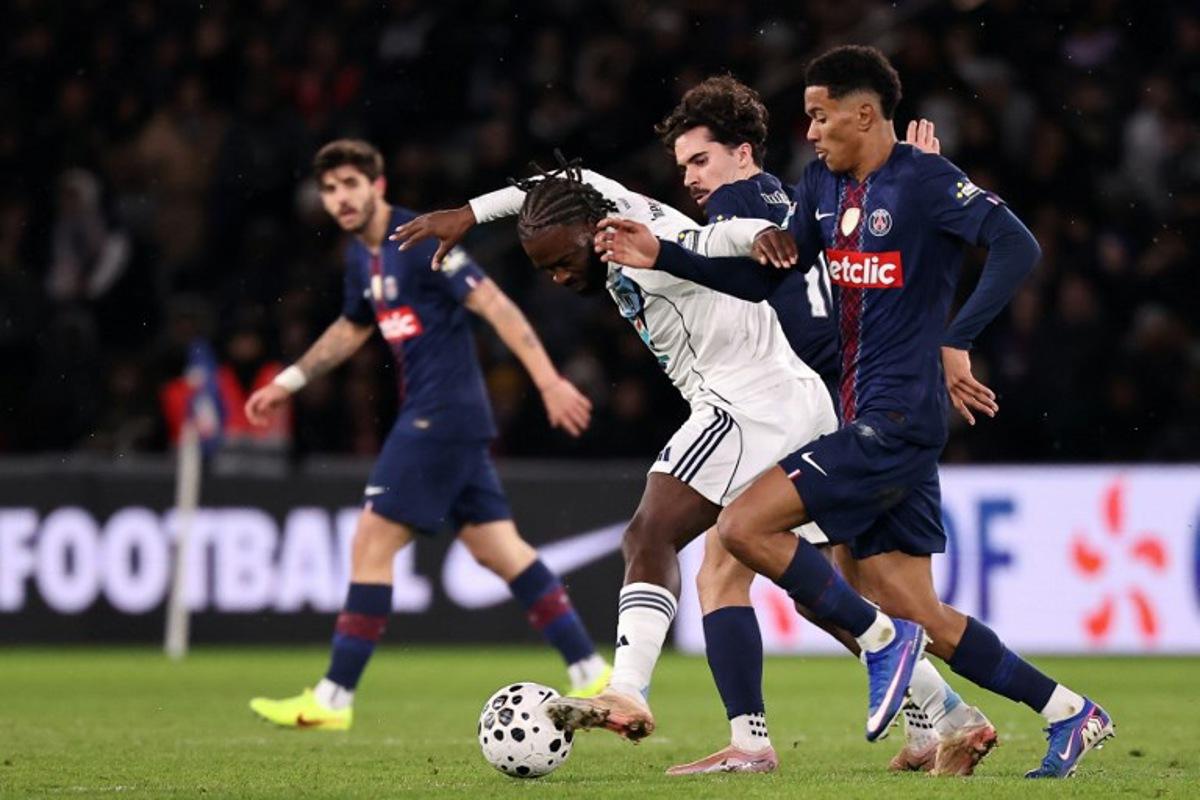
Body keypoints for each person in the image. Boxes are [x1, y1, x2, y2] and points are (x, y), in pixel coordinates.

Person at [599, 46, 1114, 779]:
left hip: (896, 419)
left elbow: (1017, 245)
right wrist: (662, 255)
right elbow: (761, 281)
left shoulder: (924, 181)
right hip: (859, 412)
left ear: (863, 113)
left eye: (819, 116)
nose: (809, 131)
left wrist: (958, 338)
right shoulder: (822, 188)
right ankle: (1068, 712)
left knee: (743, 527)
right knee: (917, 610)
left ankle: (875, 653)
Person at [392, 158, 928, 751]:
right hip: (793, 399)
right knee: (813, 595)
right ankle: (943, 716)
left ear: (594, 233)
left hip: (748, 404)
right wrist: (470, 214)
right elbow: (556, 181)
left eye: (564, 261)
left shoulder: (647, 242)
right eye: (545, 269)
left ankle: (629, 689)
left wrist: (761, 234)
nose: (559, 277)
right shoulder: (599, 199)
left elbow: (712, 238)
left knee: (649, 533)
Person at [652, 75, 994, 776]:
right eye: (683, 166)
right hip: (855, 396)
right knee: (839, 589)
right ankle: (943, 719)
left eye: (700, 160)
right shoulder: (807, 196)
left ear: (743, 153)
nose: (690, 179)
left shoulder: (738, 208)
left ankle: (752, 743)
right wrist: (912, 183)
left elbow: (713, 280)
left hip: (807, 405)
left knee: (724, 564)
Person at [244, 139, 609, 731]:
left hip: (439, 416)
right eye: (330, 189)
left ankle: (333, 699)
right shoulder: (361, 258)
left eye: (351, 185)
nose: (340, 198)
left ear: (378, 186)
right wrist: (289, 380)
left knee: (370, 542)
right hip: (449, 419)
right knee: (500, 550)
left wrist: (548, 381)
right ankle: (590, 671)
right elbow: (352, 328)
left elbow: (495, 305)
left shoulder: (417, 240)